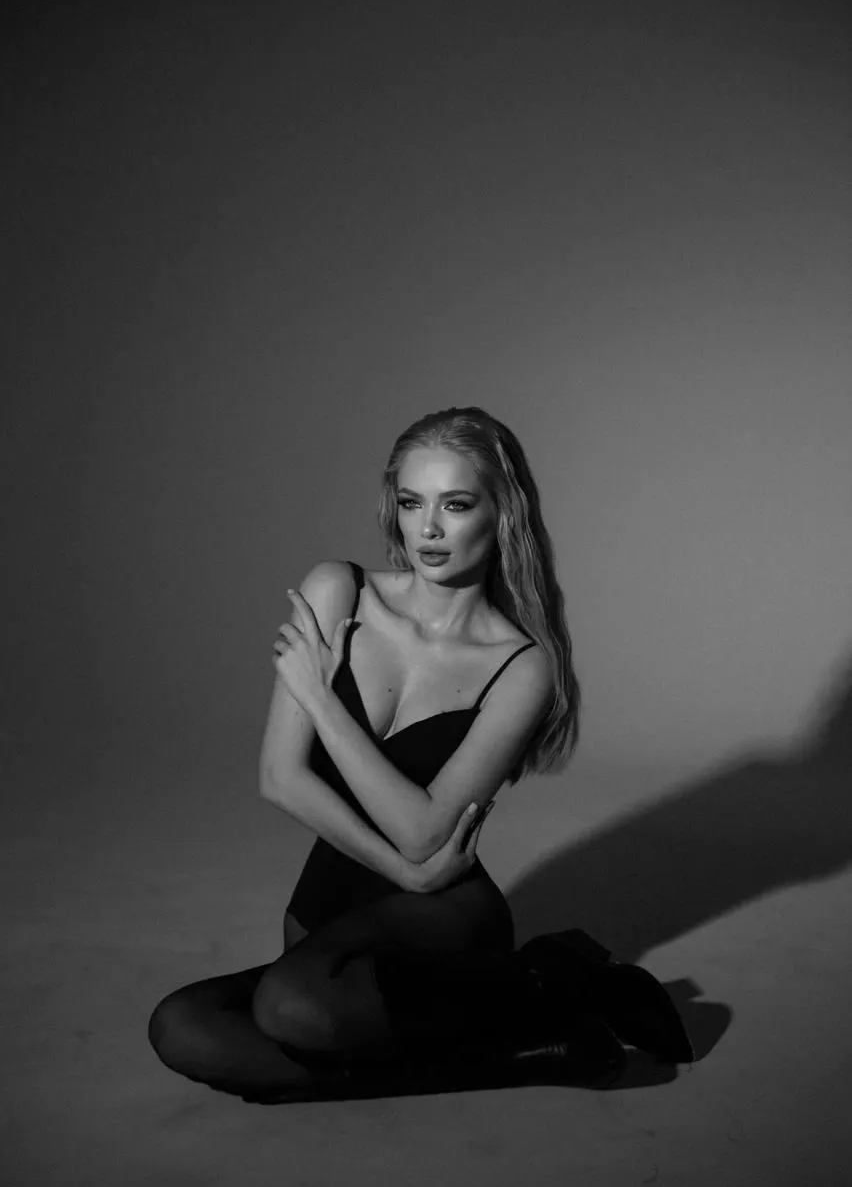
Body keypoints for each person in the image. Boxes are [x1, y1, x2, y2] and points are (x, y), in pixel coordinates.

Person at [148, 405, 692, 1102]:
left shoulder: (521, 667)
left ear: (501, 514)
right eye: (411, 503)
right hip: (353, 901)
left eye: (456, 504)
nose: (428, 528)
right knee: (184, 1026)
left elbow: (423, 830)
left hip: (447, 921)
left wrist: (318, 698)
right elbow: (280, 779)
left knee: (293, 1009)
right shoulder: (336, 591)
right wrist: (407, 874)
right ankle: (535, 1044)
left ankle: (523, 992)